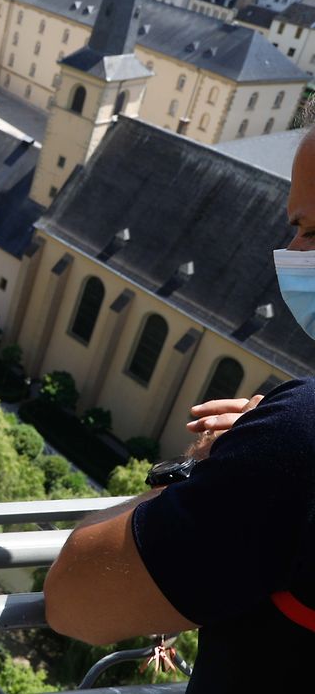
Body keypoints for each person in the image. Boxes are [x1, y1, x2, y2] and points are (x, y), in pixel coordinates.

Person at [43, 124, 315, 691]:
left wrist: (215, 459)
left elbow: (76, 599)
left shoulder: (298, 439)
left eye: (313, 231)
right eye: (295, 227)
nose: (291, 256)